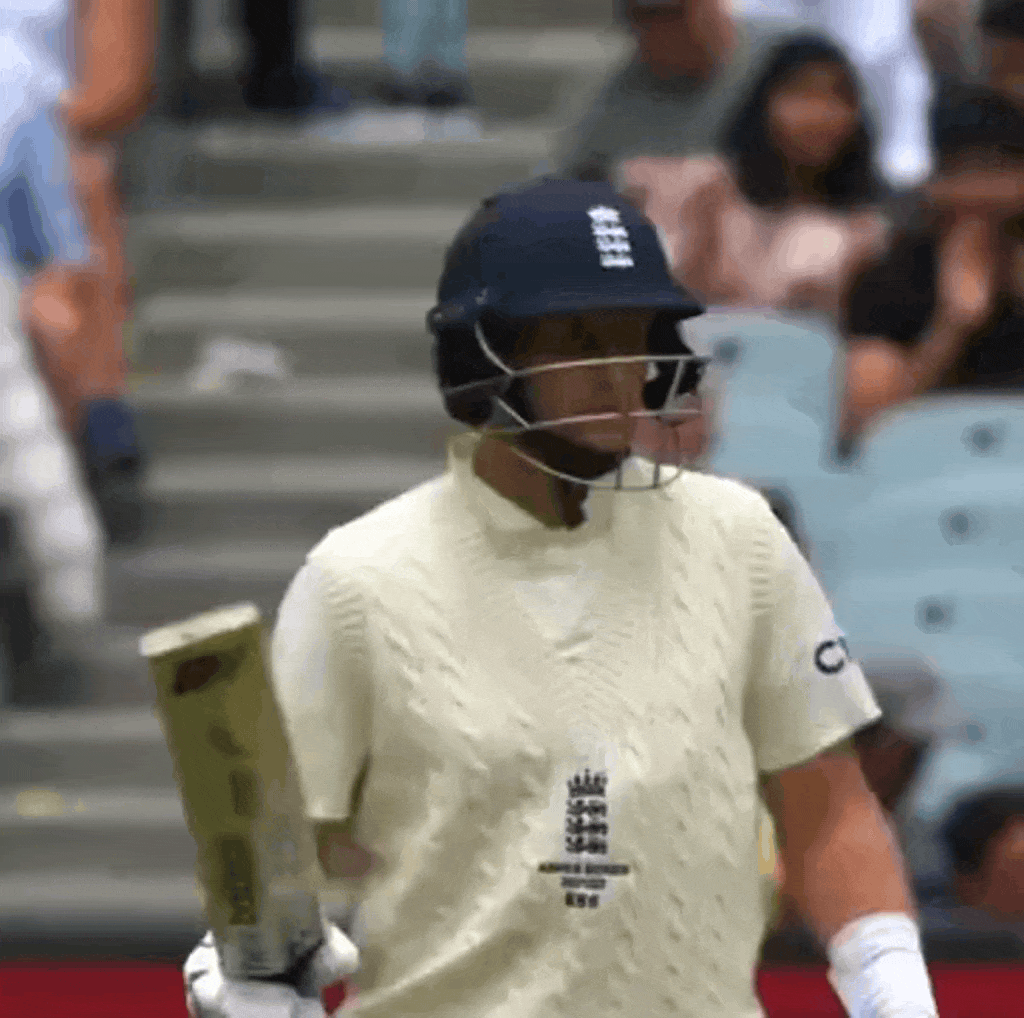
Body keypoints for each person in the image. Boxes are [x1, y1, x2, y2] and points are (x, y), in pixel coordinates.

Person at [182, 177, 939, 1018]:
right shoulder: (358, 579)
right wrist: (251, 968)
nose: (618, 372)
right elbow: (287, 866)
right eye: (577, 337)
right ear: (483, 353)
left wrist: (891, 986)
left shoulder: (743, 540)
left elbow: (827, 811)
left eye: (632, 334)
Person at [618, 30, 891, 316]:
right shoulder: (710, 187)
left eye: (837, 98)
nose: (818, 114)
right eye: (801, 94)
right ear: (764, 103)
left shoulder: (864, 229)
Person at [838, 80, 1024, 454]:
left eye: (998, 171)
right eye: (963, 174)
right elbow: (867, 433)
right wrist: (952, 327)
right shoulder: (891, 274)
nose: (982, 193)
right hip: (928, 462)